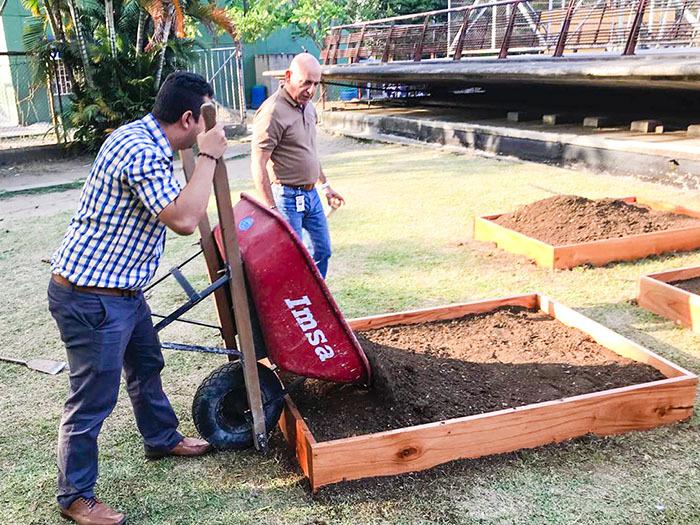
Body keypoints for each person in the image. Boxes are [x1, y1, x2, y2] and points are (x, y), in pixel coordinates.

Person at [47, 71, 228, 525]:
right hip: (92, 297)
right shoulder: (141, 151)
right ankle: (75, 497)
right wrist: (207, 155)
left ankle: (161, 436)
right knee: (91, 400)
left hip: (122, 291)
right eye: (205, 119)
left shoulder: (142, 137)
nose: (208, 128)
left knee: (147, 365)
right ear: (189, 118)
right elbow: (186, 218)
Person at [251, 53, 344, 278]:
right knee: (291, 259)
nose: (311, 90)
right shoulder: (272, 111)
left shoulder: (309, 108)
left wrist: (325, 187)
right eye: (305, 83)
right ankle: (293, 305)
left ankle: (313, 301)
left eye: (315, 84)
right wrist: (272, 211)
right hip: (286, 197)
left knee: (322, 250)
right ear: (288, 76)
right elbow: (258, 163)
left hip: (311, 196)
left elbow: (309, 153)